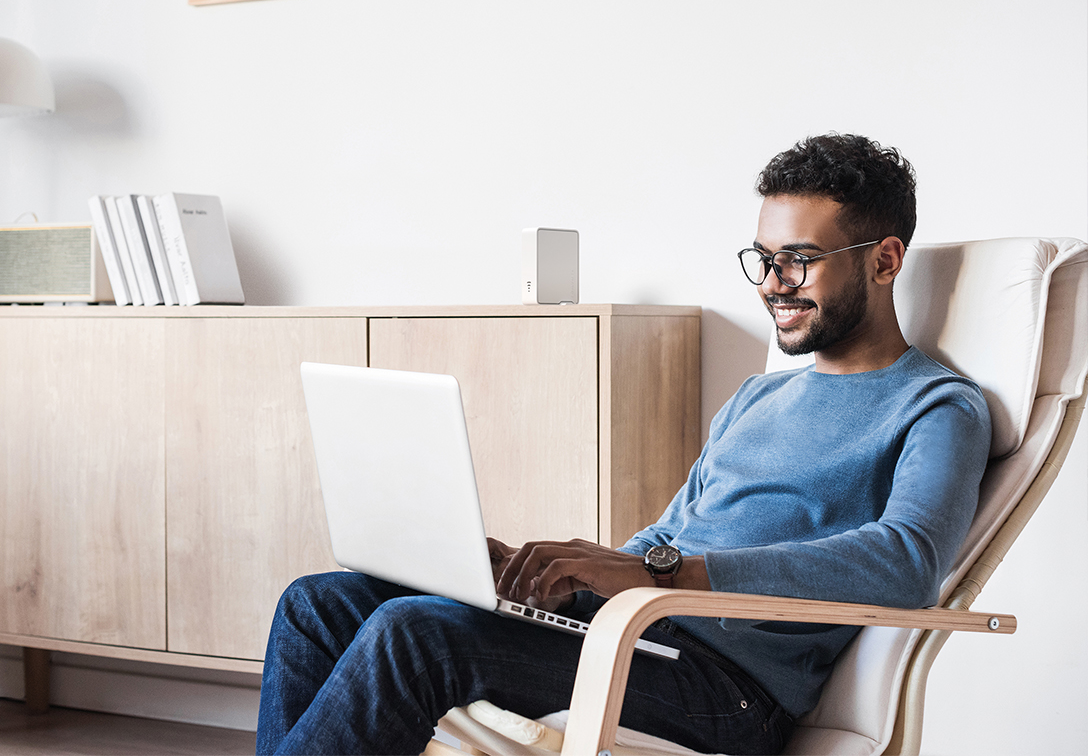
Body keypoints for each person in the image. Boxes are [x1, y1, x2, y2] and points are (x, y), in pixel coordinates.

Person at [255, 133, 992, 756]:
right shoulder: (760, 395)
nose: (772, 283)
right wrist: (553, 578)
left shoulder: (936, 405)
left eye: (798, 258)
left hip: (729, 688)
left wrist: (664, 572)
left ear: (885, 260)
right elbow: (669, 536)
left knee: (413, 634)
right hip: (635, 631)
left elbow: (905, 563)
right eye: (762, 258)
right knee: (317, 604)